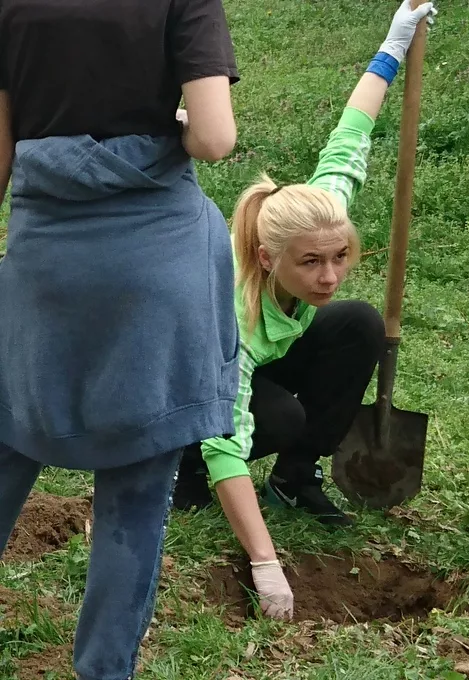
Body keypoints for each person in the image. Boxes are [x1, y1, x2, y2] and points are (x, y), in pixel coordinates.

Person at [170, 0, 439, 621]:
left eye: (340, 256)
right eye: (312, 263)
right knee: (275, 418)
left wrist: (392, 46)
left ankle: (294, 477)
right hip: (193, 390)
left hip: (268, 361)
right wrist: (265, 563)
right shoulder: (233, 313)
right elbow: (226, 443)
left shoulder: (317, 213)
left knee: (357, 323)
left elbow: (351, 134)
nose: (331, 275)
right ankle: (175, 470)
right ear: (267, 259)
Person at [0, 0, 239, 678]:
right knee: (134, 495)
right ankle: (103, 669)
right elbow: (216, 139)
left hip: (47, 264)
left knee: (8, 436)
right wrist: (178, 126)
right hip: (154, 268)